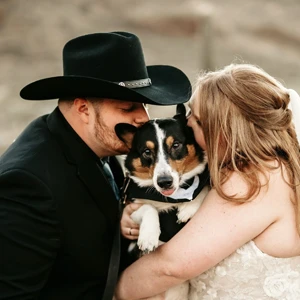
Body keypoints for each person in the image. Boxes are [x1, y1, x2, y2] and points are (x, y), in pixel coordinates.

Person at [0, 31, 192, 300]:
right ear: (83, 109)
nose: (143, 119)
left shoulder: (101, 143)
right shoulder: (27, 182)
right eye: (128, 108)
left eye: (145, 106)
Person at [115, 63, 300, 300]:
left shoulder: (254, 179)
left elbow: (170, 267)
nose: (187, 122)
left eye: (198, 119)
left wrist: (112, 291)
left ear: (224, 132)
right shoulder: (278, 167)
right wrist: (139, 213)